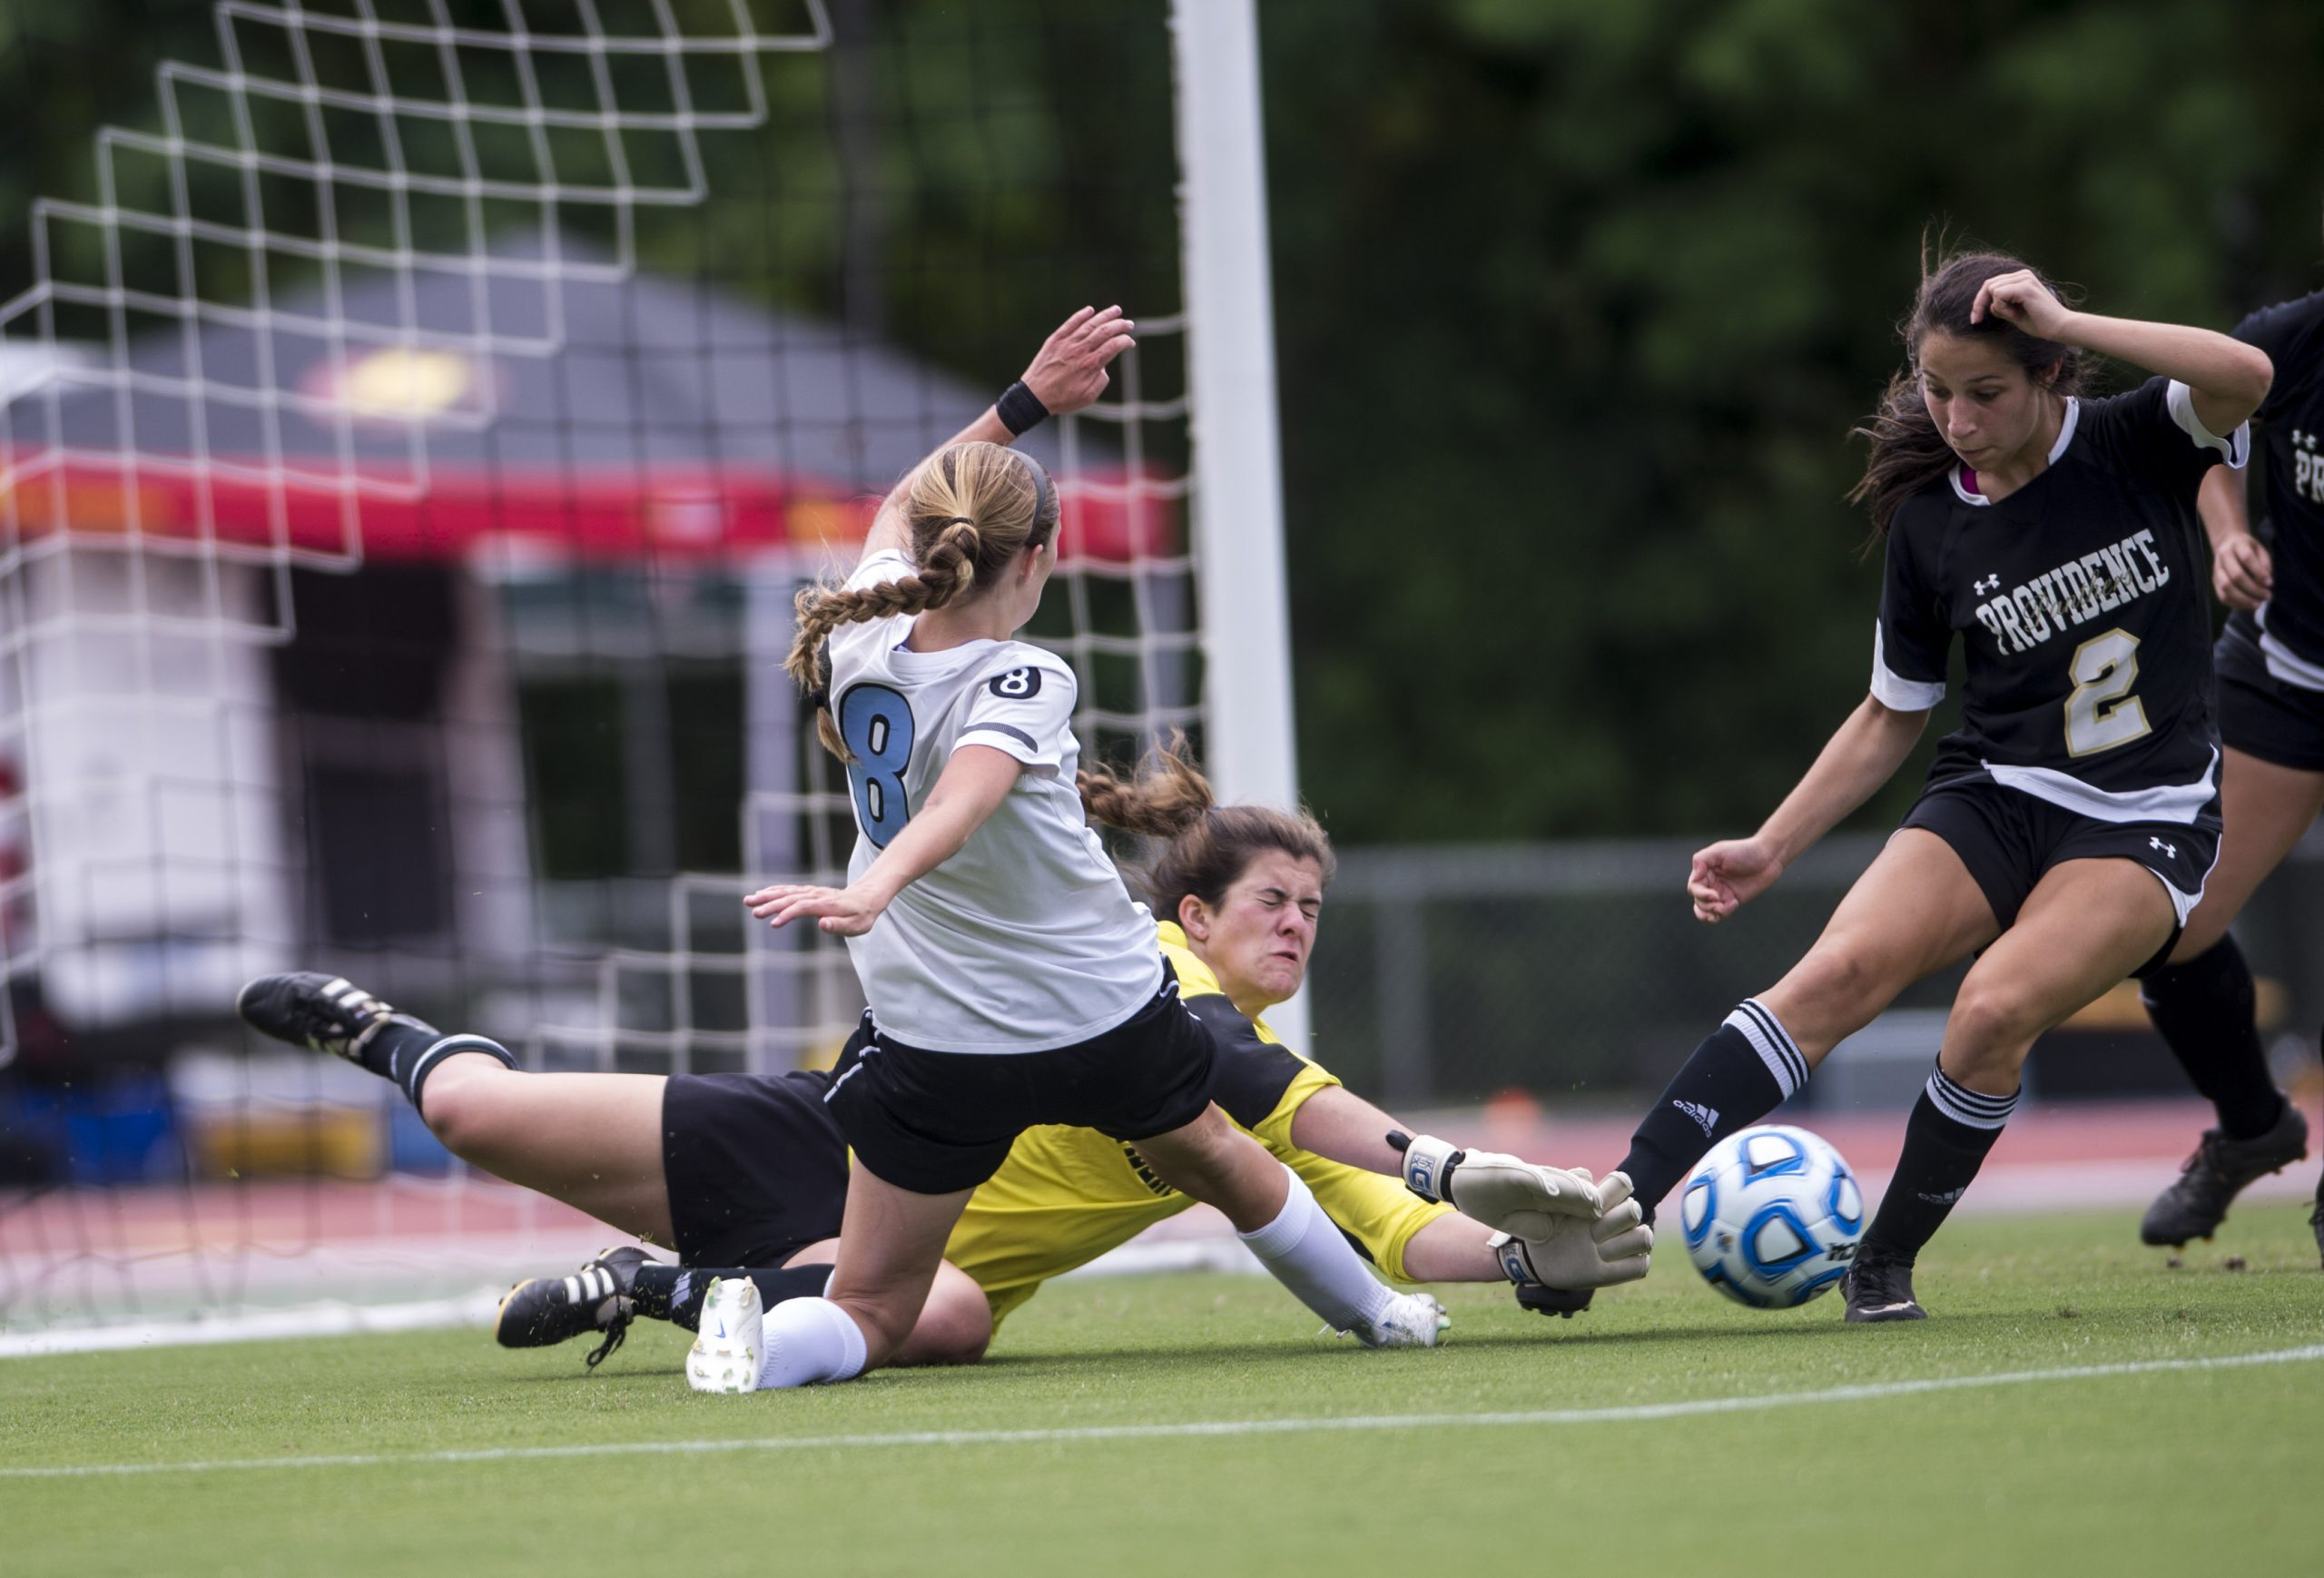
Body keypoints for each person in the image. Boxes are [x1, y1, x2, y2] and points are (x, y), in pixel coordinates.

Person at [233, 786, 1649, 1377]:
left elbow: (1386, 1227)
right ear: (1195, 914)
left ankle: (661, 1284)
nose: (1297, 923)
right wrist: (1446, 1156)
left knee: (954, 1312)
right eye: (1273, 897)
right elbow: (1246, 1076)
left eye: (1315, 910)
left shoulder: (1269, 1078)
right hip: (821, 1137)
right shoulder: (1147, 970)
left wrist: (1536, 1246)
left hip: (905, 1263)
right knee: (477, 1111)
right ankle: (381, 1029)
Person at [1600, 248, 2271, 1321]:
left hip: (2144, 817)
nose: (1955, 417)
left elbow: (2244, 373)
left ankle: (1884, 1261)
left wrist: (2068, 319)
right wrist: (1772, 845)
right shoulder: (1929, 520)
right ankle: (1609, 1210)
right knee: (1836, 972)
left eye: (1985, 392)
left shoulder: (2135, 439)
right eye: (1936, 390)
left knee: (1990, 1010)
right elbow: (1889, 714)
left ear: (2050, 370)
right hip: (1996, 792)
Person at [2132, 275, 2324, 1265]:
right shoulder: (2286, 344)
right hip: (2286, 675)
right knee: (2166, 921)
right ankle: (2251, 1124)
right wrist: (2229, 533)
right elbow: (2211, 433)